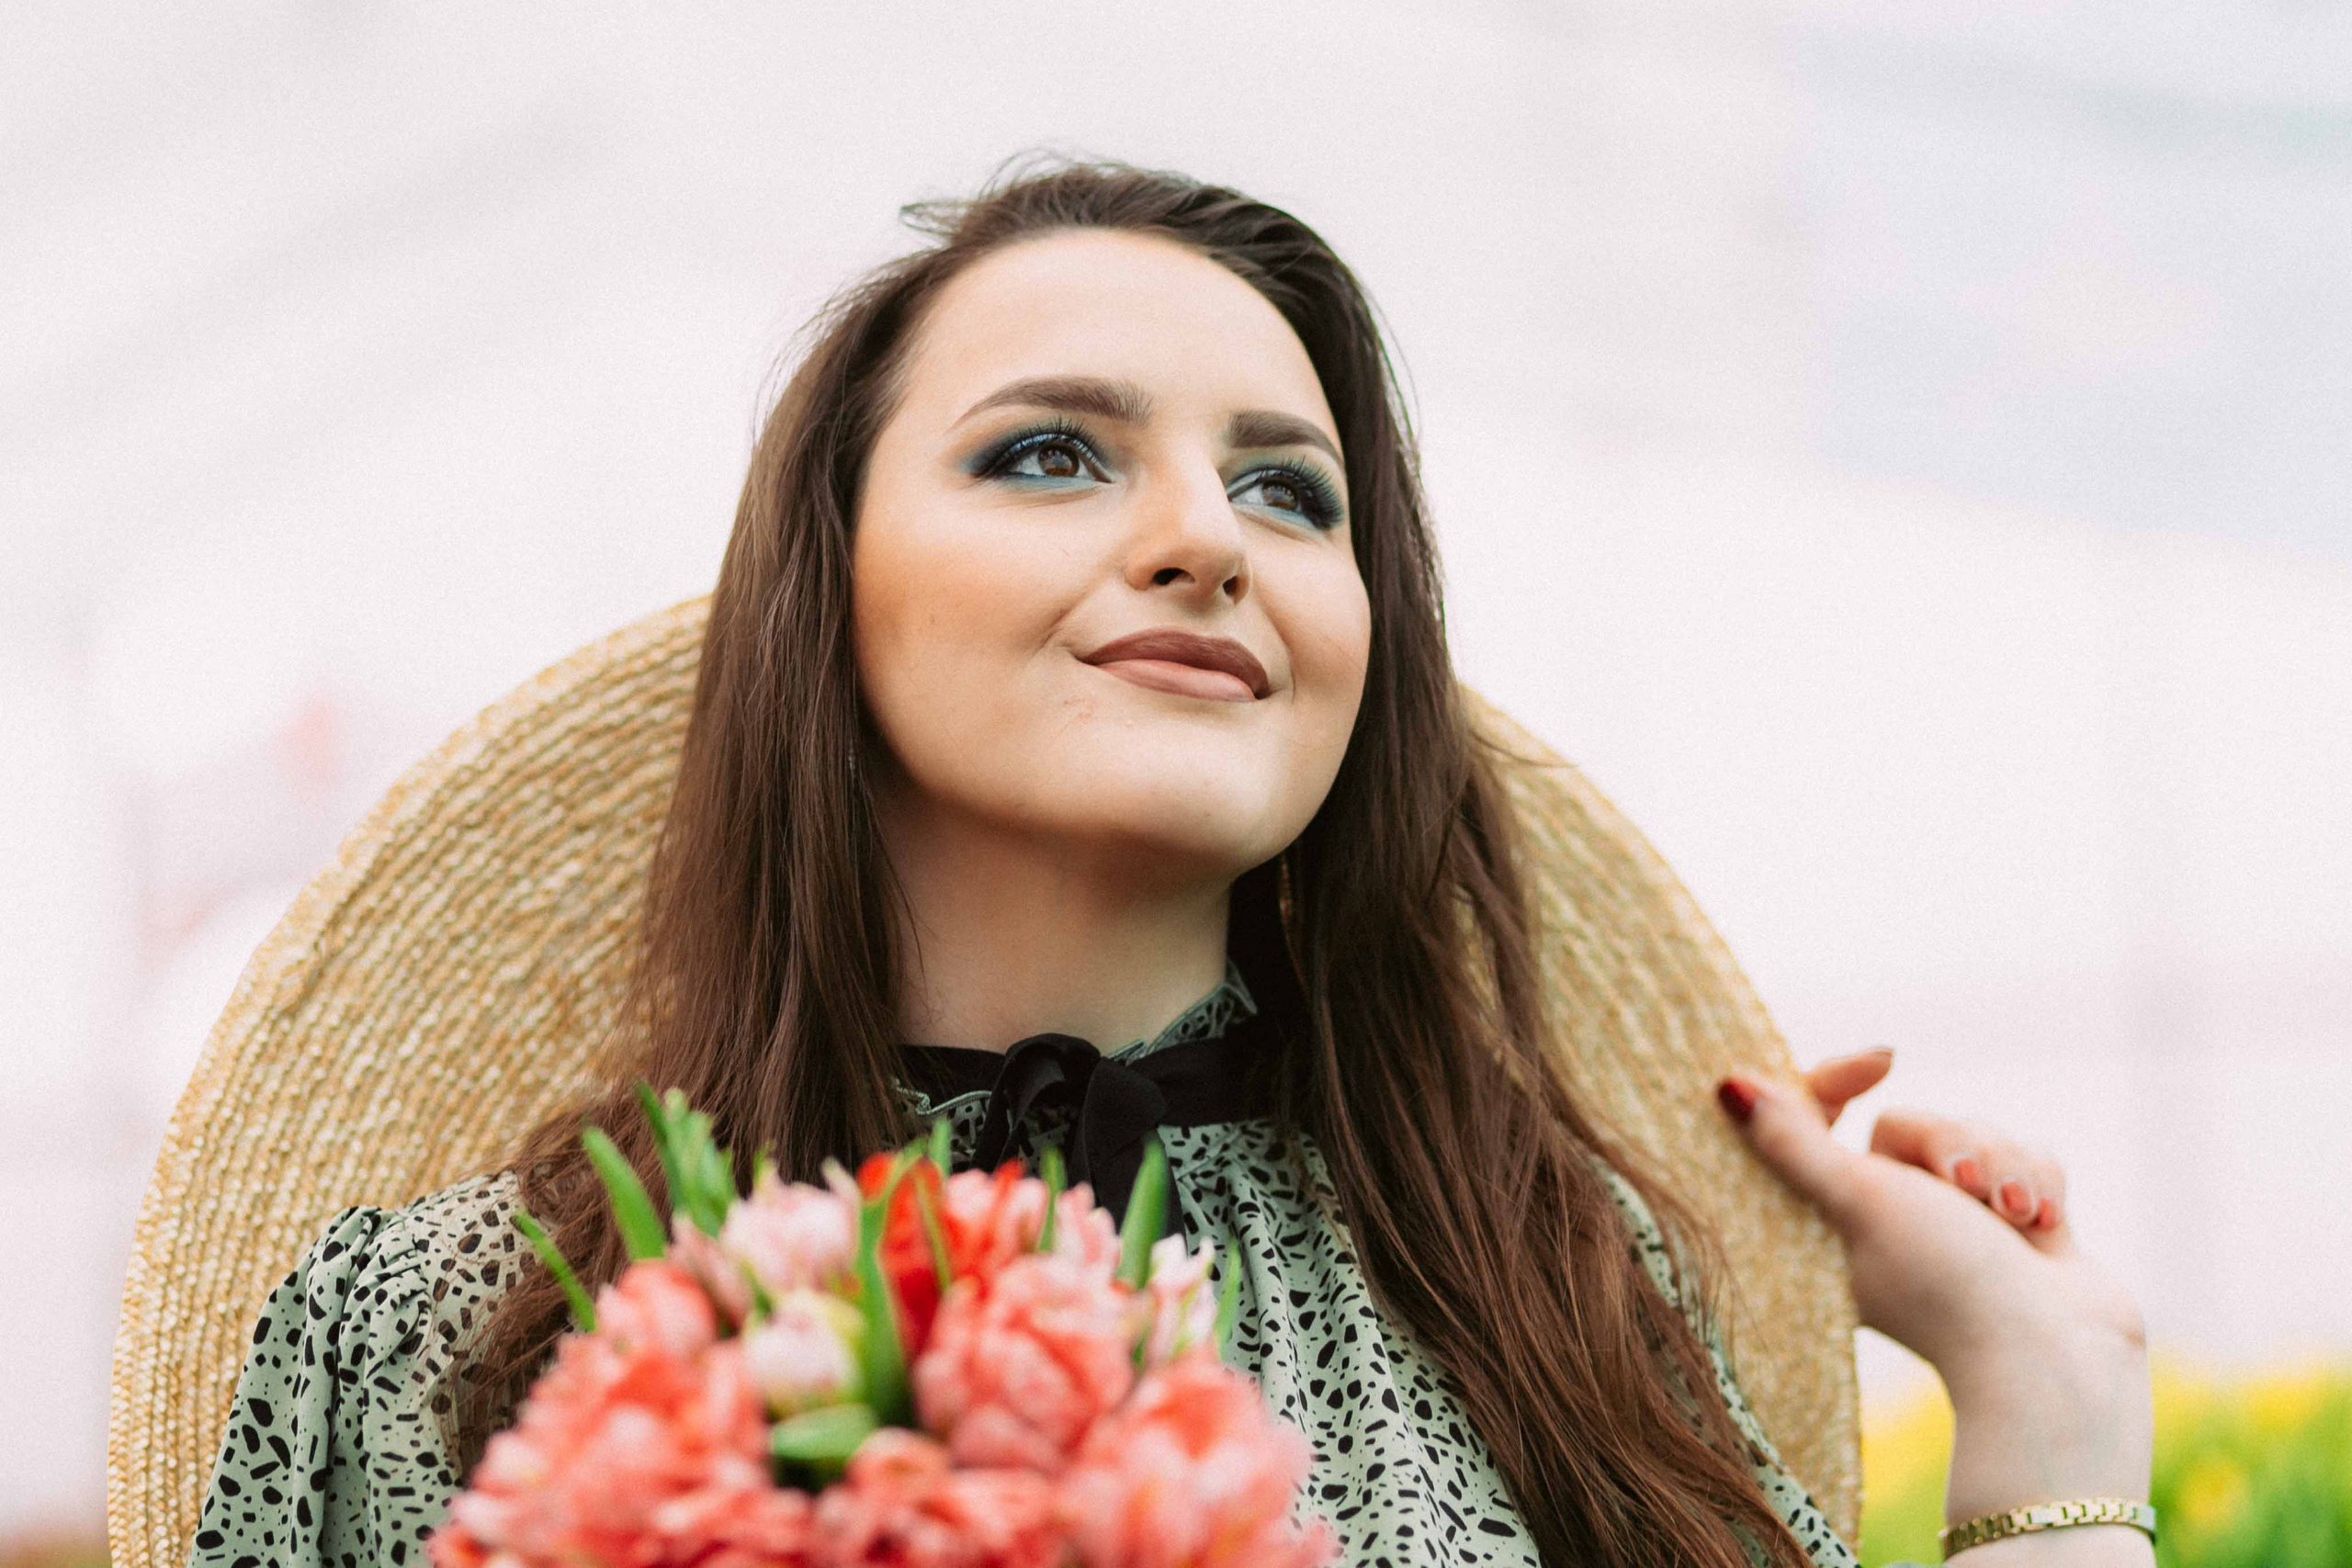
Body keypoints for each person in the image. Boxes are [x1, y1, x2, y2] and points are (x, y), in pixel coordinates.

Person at [187, 153, 2154, 1568]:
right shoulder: (426, 1334)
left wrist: (2042, 1409)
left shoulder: (1552, 1291)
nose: (1207, 533)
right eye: (1050, 450)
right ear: (827, 599)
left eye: (1289, 490)